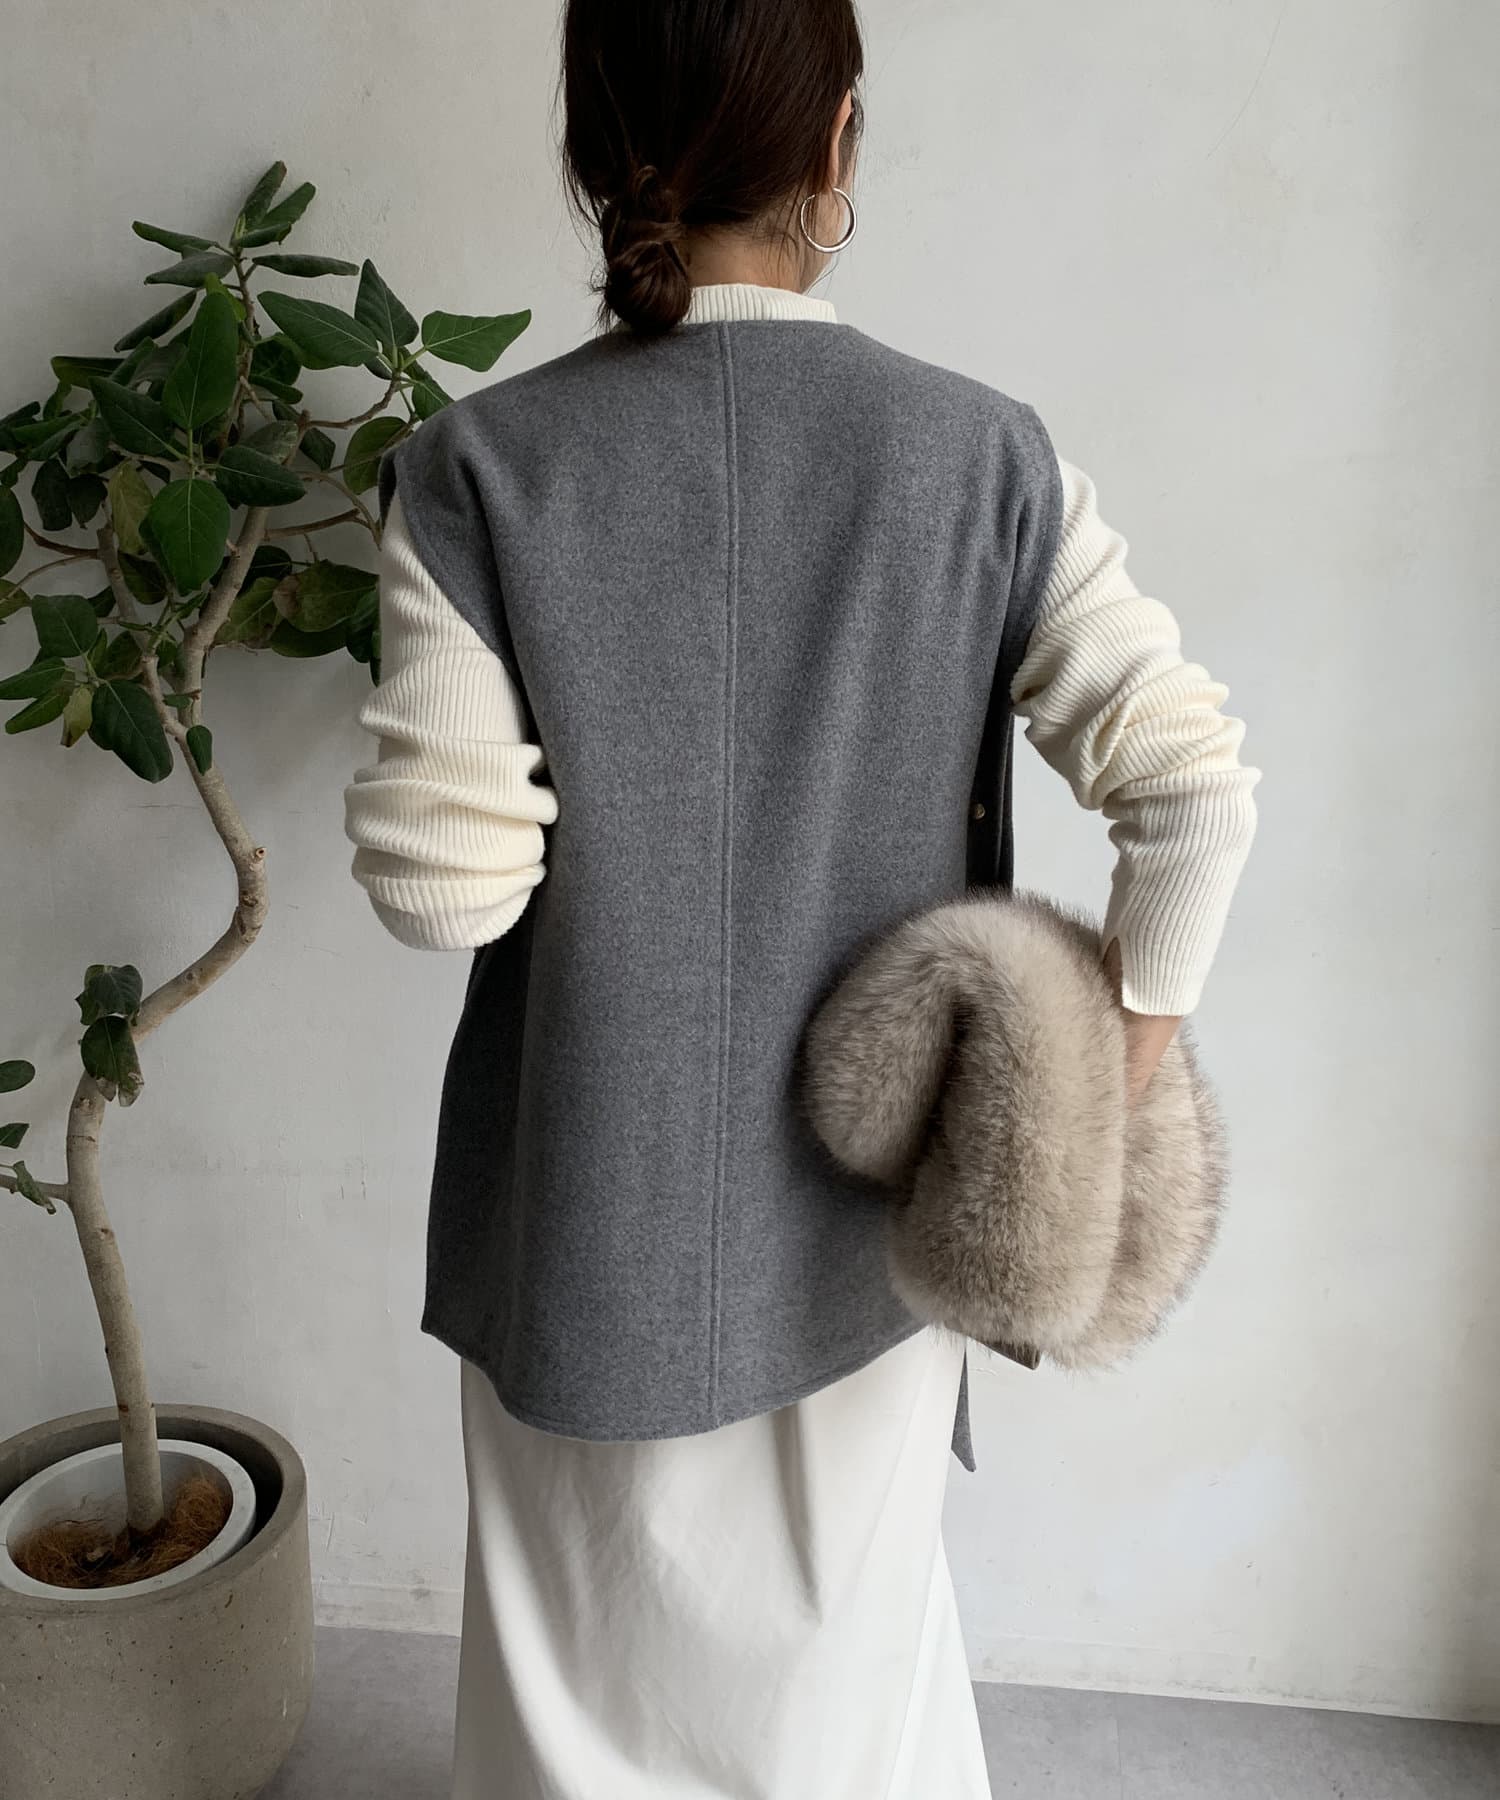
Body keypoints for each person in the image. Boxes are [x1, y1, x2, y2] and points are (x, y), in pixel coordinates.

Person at [342, 2, 1261, 1794]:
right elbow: (1195, 802)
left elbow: (447, 903)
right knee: (846, 1688)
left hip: (582, 1210)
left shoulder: (476, 470)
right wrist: (1085, 1106)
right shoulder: (985, 460)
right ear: (838, 138)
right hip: (867, 1219)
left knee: (570, 1689)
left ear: (593, 144)